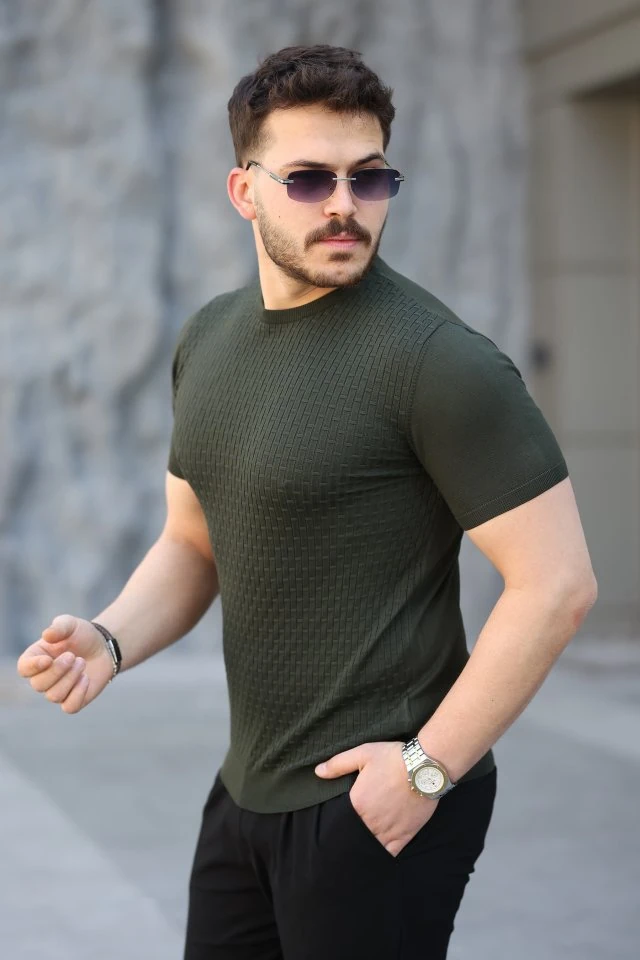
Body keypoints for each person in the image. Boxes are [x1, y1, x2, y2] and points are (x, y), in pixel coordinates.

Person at [17, 44, 597, 960]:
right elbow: (194, 542)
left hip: (376, 796)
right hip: (246, 791)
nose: (343, 205)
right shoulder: (209, 341)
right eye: (309, 179)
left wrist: (425, 769)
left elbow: (557, 585)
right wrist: (111, 638)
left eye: (369, 178)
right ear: (244, 191)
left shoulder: (439, 362)